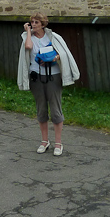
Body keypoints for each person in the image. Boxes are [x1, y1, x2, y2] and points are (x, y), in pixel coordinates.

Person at [17, 12, 80, 156]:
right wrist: (28, 31)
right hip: (36, 77)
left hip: (53, 77)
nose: (34, 24)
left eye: (36, 22)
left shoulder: (54, 37)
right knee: (41, 109)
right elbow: (28, 47)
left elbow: (63, 54)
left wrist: (55, 57)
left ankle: (58, 143)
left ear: (43, 24)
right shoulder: (28, 37)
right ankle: (44, 141)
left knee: (56, 109)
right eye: (32, 22)